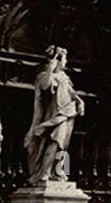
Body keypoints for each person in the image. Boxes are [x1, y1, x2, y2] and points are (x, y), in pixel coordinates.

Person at [24, 46, 84, 185]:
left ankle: (60, 172)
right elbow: (45, 86)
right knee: (54, 142)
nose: (65, 63)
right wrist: (50, 70)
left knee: (63, 145)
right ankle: (45, 172)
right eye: (63, 59)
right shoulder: (45, 77)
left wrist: (80, 102)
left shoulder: (64, 78)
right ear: (55, 61)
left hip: (68, 114)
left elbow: (72, 93)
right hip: (55, 115)